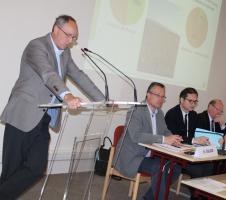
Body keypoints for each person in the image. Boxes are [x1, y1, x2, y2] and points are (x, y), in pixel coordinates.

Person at [0, 15, 105, 199]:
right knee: (11, 170)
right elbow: (48, 74)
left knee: (37, 167)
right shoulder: (37, 46)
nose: (71, 41)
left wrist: (102, 99)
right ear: (56, 29)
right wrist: (67, 95)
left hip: (44, 118)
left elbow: (79, 75)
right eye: (68, 35)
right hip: (22, 116)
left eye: (74, 37)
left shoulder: (65, 54)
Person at [114, 82, 182, 200]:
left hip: (150, 155)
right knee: (159, 167)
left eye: (163, 97)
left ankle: (148, 198)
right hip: (133, 156)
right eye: (158, 95)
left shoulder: (159, 113)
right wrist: (164, 139)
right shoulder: (136, 109)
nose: (161, 99)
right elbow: (136, 136)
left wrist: (173, 138)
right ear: (148, 95)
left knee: (175, 167)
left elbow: (165, 131)